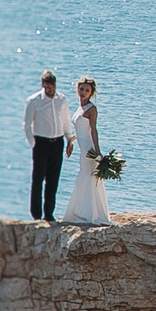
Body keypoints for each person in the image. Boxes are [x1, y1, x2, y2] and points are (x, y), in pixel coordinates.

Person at [23, 70, 72, 222]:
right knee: (38, 180)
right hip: (41, 143)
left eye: (53, 86)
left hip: (57, 142)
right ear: (42, 85)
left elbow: (65, 121)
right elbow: (27, 125)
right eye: (48, 87)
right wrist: (33, 144)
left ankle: (49, 213)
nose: (51, 90)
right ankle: (36, 215)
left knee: (53, 180)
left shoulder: (61, 99)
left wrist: (69, 139)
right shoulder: (34, 100)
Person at [63, 75, 111, 225]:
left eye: (87, 90)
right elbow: (81, 131)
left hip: (88, 150)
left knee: (86, 177)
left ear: (91, 93)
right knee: (86, 178)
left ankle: (88, 215)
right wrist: (70, 141)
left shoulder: (92, 109)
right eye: (81, 89)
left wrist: (98, 152)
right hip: (82, 147)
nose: (83, 92)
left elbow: (93, 131)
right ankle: (84, 212)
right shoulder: (80, 108)